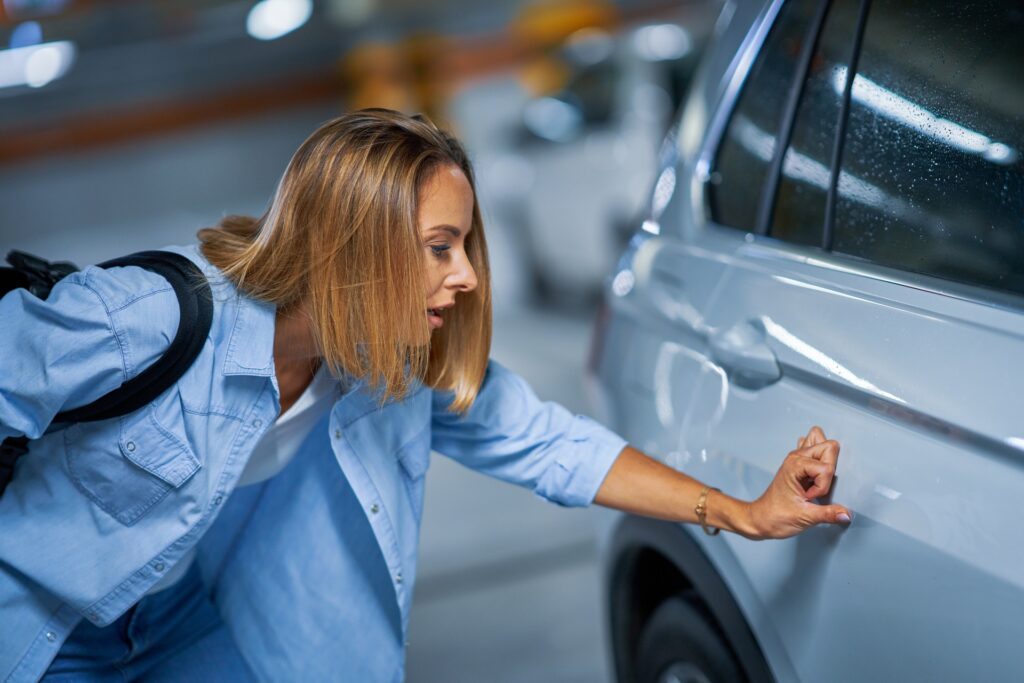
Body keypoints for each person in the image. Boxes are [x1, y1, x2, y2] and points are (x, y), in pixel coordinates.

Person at [0, 109, 851, 682]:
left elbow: (552, 443)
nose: (469, 275)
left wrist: (741, 511)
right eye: (440, 246)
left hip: (184, 626)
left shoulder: (390, 369)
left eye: (465, 245)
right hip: (38, 632)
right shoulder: (149, 319)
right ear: (349, 244)